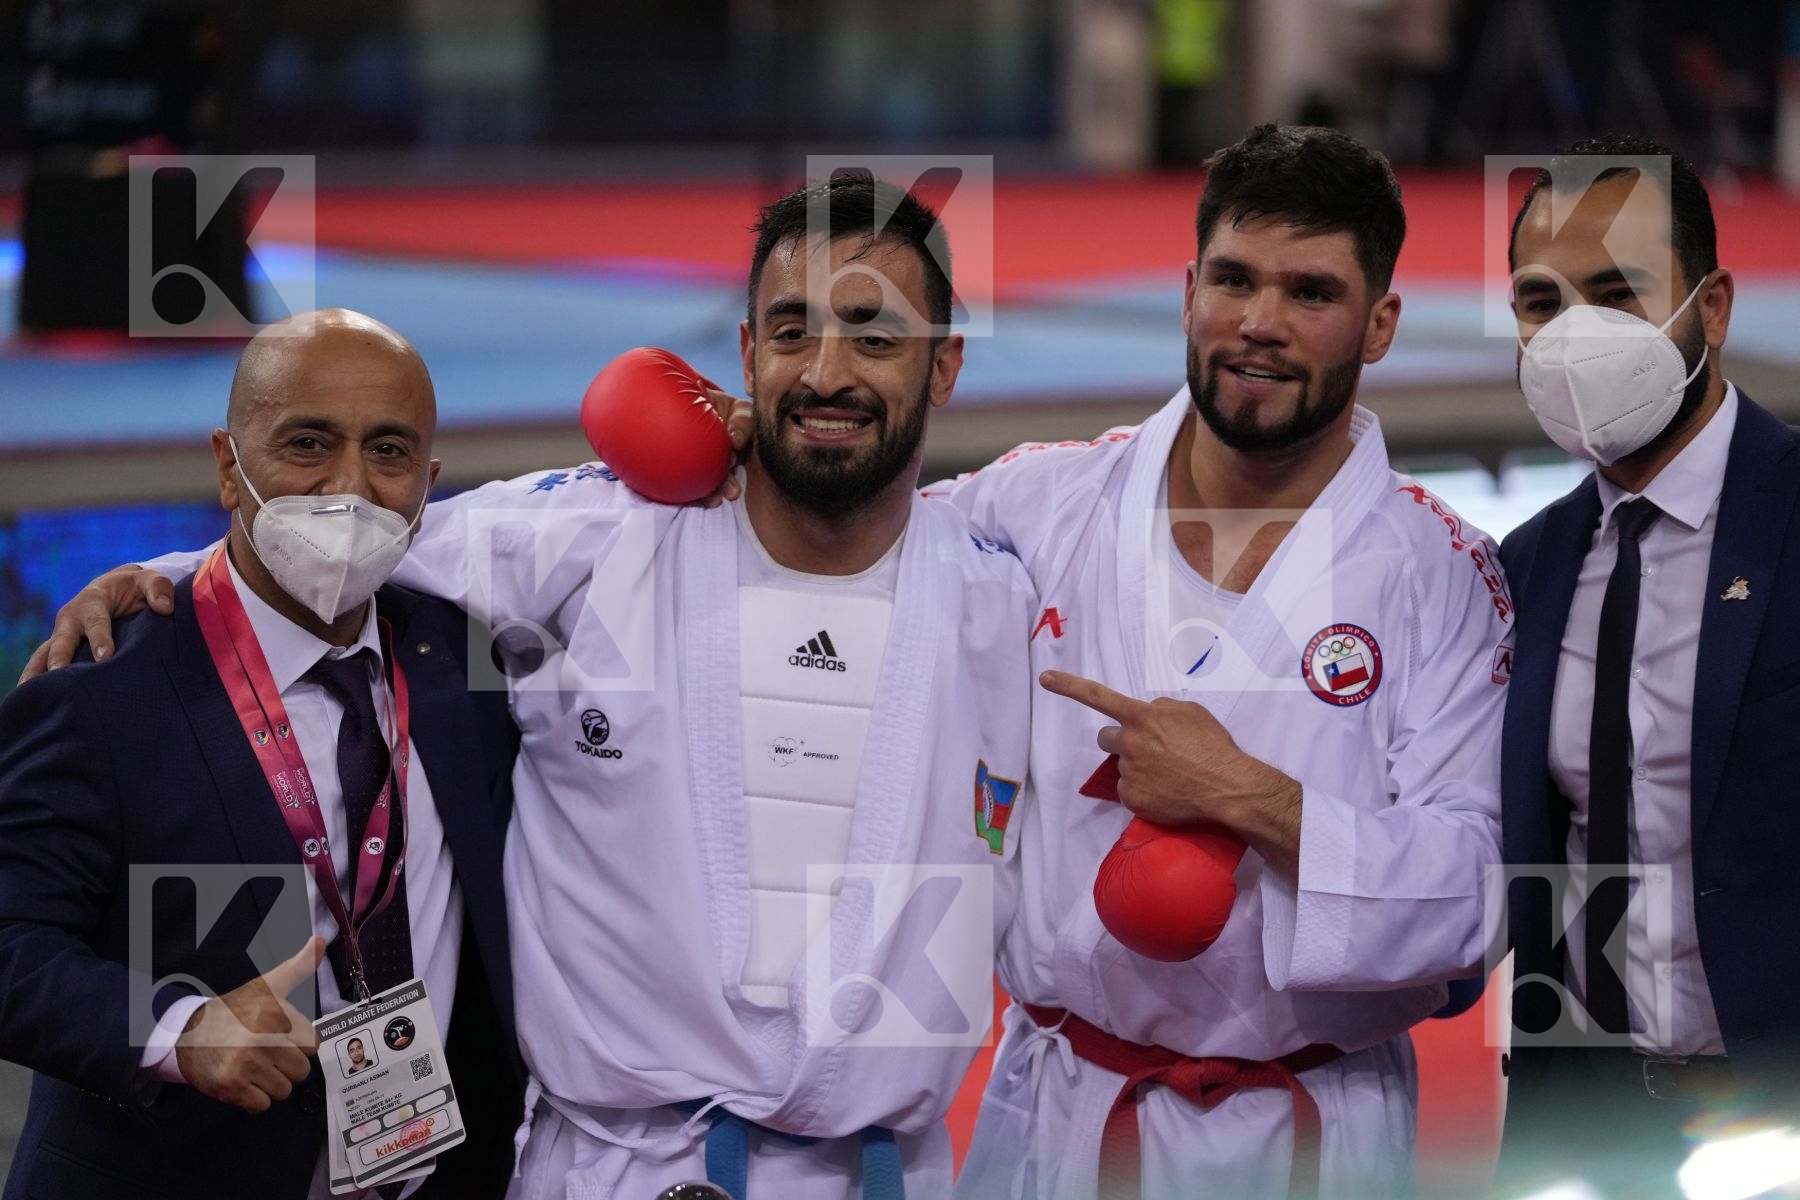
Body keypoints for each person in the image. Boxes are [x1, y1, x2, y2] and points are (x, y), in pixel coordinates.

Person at [30, 178, 1035, 1198]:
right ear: (745, 355)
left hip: (886, 1174)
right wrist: (162, 576)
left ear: (945, 364)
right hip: (615, 1171)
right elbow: (355, 537)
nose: (826, 372)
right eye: (792, 332)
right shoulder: (593, 542)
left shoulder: (1004, 605)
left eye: (875, 337)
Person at [921, 123, 1512, 1197]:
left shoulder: (1444, 574)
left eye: (1311, 293)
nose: (1260, 323)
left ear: (1380, 325)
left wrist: (1249, 799)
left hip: (1314, 1129)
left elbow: (1478, 898)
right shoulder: (1036, 504)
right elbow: (851, 553)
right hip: (1061, 1110)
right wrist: (745, 451)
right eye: (1234, 280)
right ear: (1190, 291)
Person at [0, 309, 523, 1200]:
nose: (349, 488)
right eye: (308, 443)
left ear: (428, 482)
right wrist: (177, 1031)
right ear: (227, 465)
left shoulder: (466, 664)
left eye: (388, 451)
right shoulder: (102, 688)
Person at [1497, 134, 1800, 1193]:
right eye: (1541, 301)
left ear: (1711, 310)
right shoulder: (1525, 567)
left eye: (1618, 293)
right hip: (1587, 1130)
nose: (1573, 334)